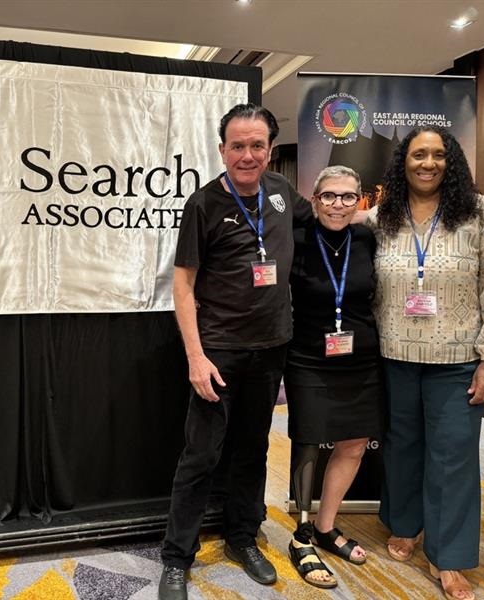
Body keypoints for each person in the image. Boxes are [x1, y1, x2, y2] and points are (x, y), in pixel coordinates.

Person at [158, 103, 313, 600]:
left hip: (271, 351)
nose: (248, 155)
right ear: (222, 149)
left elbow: (332, 216)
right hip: (219, 352)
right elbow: (182, 287)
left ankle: (242, 537)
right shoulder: (203, 204)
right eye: (238, 146)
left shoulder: (284, 194)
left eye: (257, 146)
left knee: (254, 449)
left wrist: (380, 214)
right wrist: (196, 358)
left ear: (270, 149)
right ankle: (177, 557)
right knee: (201, 455)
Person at [368, 125, 484, 600]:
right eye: (418, 154)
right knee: (402, 446)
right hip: (394, 354)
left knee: (452, 456)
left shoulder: (479, 211)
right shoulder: (383, 216)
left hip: (458, 357)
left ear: (450, 161)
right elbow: (340, 236)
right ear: (403, 162)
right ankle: (407, 525)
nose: (427, 163)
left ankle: (449, 557)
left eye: (437, 155)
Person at [285, 165, 384, 589]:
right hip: (308, 356)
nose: (337, 204)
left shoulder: (369, 238)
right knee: (308, 440)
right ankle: (301, 535)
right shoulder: (296, 239)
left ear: (360, 200)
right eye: (328, 196)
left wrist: (369, 216)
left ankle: (325, 527)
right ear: (315, 200)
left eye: (347, 197)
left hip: (362, 358)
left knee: (354, 444)